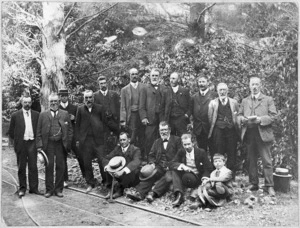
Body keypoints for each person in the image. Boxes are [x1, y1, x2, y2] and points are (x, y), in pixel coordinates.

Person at [238, 77, 277, 196]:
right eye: (252, 84)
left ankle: (269, 186)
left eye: (256, 84)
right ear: (249, 86)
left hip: (263, 133)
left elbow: (273, 116)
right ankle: (254, 183)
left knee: (267, 160)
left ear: (260, 86)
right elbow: (239, 115)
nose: (254, 87)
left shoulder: (267, 99)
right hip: (249, 134)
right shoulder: (245, 101)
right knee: (251, 160)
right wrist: (242, 119)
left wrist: (260, 119)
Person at [126, 121, 182, 202]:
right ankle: (139, 193)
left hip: (171, 167)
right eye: (161, 130)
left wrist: (171, 164)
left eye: (165, 130)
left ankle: (153, 193)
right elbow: (151, 155)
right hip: (159, 166)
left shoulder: (177, 140)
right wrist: (152, 163)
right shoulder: (157, 142)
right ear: (159, 131)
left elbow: (180, 155)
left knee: (168, 178)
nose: (163, 132)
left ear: (169, 130)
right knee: (151, 175)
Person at [75, 90, 118, 193]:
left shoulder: (99, 108)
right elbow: (77, 126)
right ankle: (90, 183)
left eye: (90, 97)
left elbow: (105, 124)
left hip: (98, 140)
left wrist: (104, 137)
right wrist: (78, 140)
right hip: (86, 141)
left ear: (93, 98)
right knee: (87, 162)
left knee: (102, 160)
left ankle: (106, 183)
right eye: (86, 98)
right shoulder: (80, 109)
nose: (88, 100)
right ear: (83, 99)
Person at [36, 93, 73, 198]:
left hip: (60, 144)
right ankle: (49, 190)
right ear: (49, 102)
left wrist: (68, 143)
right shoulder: (43, 115)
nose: (53, 103)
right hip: (48, 144)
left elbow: (70, 130)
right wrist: (39, 146)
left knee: (61, 166)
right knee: (49, 166)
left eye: (55, 101)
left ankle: (58, 189)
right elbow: (38, 131)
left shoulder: (65, 113)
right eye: (51, 101)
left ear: (58, 101)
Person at [8, 94, 41, 197]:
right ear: (22, 103)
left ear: (31, 103)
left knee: (33, 167)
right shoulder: (15, 115)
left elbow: (39, 130)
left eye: (29, 102)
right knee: (21, 167)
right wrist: (17, 143)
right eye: (25, 102)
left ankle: (34, 188)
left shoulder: (36, 114)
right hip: (21, 144)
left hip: (32, 143)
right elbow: (11, 132)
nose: (27, 104)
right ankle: (22, 188)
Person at [170, 133, 213, 207]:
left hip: (197, 177)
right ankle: (179, 195)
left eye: (189, 144)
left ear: (193, 143)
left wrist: (205, 177)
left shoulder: (201, 152)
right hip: (186, 174)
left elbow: (209, 168)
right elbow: (172, 163)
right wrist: (182, 165)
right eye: (185, 145)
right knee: (174, 171)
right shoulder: (181, 151)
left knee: (187, 177)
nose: (187, 147)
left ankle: (193, 196)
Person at [208, 83, 239, 178]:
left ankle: (230, 176)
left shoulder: (234, 102)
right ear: (217, 91)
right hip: (218, 131)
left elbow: (237, 116)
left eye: (224, 90)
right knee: (219, 152)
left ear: (227, 91)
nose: (222, 92)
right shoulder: (213, 103)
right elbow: (210, 118)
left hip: (231, 131)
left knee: (232, 152)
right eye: (220, 90)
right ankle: (219, 175)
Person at [102, 132, 142, 199]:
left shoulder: (135, 149)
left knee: (131, 169)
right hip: (118, 174)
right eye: (121, 140)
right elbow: (106, 158)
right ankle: (110, 189)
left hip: (131, 176)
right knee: (108, 166)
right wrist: (107, 167)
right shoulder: (117, 149)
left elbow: (136, 162)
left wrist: (123, 171)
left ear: (129, 140)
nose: (122, 142)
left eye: (124, 140)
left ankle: (120, 190)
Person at [58, 89, 84, 188]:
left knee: (80, 155)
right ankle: (64, 179)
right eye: (62, 96)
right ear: (59, 97)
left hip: (73, 136)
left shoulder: (74, 107)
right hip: (63, 137)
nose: (64, 97)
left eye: (65, 96)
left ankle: (86, 177)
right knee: (62, 157)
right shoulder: (58, 108)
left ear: (68, 96)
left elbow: (79, 122)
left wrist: (75, 119)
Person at [139, 68, 165, 159]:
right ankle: (150, 160)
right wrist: (143, 117)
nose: (154, 77)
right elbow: (141, 105)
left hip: (161, 119)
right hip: (150, 119)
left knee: (162, 139)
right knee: (149, 140)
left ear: (159, 77)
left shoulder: (164, 88)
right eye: (153, 75)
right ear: (150, 77)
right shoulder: (145, 88)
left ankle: (162, 160)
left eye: (156, 76)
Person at [120, 68, 146, 156]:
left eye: (136, 74)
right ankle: (132, 156)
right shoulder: (124, 89)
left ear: (138, 75)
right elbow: (123, 106)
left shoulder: (144, 87)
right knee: (133, 136)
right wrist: (123, 120)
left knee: (142, 136)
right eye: (132, 74)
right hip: (132, 116)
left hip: (142, 115)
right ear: (129, 76)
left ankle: (143, 156)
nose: (134, 76)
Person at [94, 75, 120, 153]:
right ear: (98, 85)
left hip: (113, 121)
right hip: (102, 122)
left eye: (104, 83)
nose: (103, 85)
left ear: (107, 83)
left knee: (117, 138)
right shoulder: (95, 96)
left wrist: (118, 120)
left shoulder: (114, 94)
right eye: (101, 83)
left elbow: (118, 108)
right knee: (104, 140)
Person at [190, 75, 217, 151]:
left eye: (203, 82)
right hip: (199, 129)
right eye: (199, 82)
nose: (201, 84)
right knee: (202, 151)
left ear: (208, 83)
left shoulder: (214, 95)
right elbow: (191, 111)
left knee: (213, 149)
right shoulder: (194, 97)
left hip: (211, 128)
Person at [161, 72, 190, 137]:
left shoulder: (184, 91)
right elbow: (162, 107)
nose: (171, 80)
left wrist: (187, 115)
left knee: (182, 138)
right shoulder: (165, 91)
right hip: (170, 120)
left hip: (181, 120)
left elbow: (190, 106)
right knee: (171, 139)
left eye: (174, 78)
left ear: (178, 80)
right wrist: (164, 120)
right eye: (170, 78)